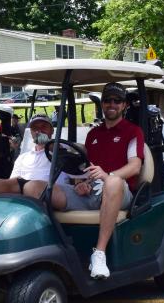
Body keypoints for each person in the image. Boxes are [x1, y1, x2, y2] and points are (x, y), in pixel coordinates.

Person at [41, 83, 143, 279]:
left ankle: (99, 253)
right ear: (102, 104)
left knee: (113, 182)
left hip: (119, 192)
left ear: (124, 106)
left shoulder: (133, 131)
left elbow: (135, 166)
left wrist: (107, 176)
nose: (111, 104)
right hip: (91, 192)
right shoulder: (93, 134)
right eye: (107, 100)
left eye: (117, 101)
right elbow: (85, 167)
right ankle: (45, 246)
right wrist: (79, 183)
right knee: (35, 187)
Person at [0, 115, 65, 199]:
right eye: (35, 128)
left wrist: (52, 146)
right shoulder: (23, 157)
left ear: (52, 130)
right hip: (24, 198)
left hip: (51, 195)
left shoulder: (63, 152)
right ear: (31, 131)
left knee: (31, 187)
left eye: (43, 127)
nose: (39, 130)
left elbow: (77, 171)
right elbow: (11, 184)